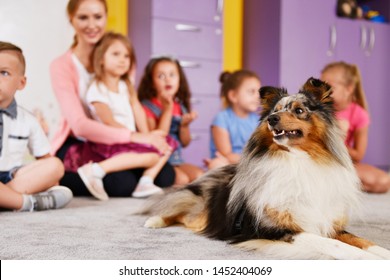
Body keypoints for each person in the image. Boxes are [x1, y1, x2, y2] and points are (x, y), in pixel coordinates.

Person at [50, 0, 175, 198]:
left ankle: (135, 179)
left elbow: (132, 104)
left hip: (122, 137)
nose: (92, 25)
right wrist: (136, 137)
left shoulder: (121, 60)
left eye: (98, 17)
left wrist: (149, 137)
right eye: (83, 17)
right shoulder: (61, 66)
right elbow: (80, 126)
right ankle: (57, 176)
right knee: (121, 184)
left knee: (166, 175)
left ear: (106, 17)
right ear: (71, 19)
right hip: (81, 141)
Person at [75, 32, 175, 200]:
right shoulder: (97, 88)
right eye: (116, 54)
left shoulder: (125, 86)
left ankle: (146, 181)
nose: (122, 60)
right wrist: (140, 138)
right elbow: (108, 121)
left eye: (126, 56)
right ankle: (96, 170)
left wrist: (148, 136)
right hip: (110, 141)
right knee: (151, 157)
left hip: (131, 138)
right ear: (101, 59)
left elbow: (138, 112)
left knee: (166, 141)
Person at [0, 41, 73, 211]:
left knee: (55, 165)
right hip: (19, 191)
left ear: (21, 83)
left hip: (14, 179)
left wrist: (49, 180)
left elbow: (45, 159)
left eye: (4, 73)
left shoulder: (28, 120)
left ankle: (6, 198)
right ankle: (26, 202)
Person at [321, 61, 390, 193]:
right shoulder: (318, 108)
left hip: (341, 164)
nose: (323, 93)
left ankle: (334, 185)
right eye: (321, 87)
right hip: (318, 161)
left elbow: (358, 155)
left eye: (329, 87)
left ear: (349, 88)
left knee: (383, 181)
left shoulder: (359, 114)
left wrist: (338, 139)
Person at [138, 56, 204, 185]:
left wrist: (184, 126)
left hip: (177, 160)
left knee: (200, 176)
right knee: (182, 179)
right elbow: (155, 139)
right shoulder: (147, 107)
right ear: (151, 82)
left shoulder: (180, 107)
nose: (168, 79)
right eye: (161, 76)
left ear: (179, 80)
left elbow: (185, 143)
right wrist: (167, 109)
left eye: (172, 75)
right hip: (158, 161)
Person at [205, 70, 261, 169]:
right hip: (230, 164)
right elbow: (226, 155)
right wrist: (254, 160)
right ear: (233, 96)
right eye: (252, 92)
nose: (257, 96)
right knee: (216, 164)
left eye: (258, 92)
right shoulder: (221, 119)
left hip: (250, 163)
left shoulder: (257, 121)